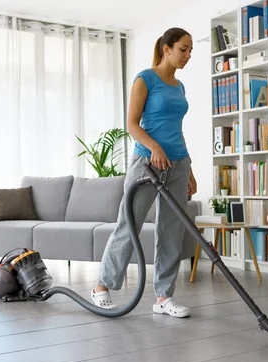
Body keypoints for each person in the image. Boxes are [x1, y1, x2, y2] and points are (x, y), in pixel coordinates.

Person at [90, 27, 196, 318]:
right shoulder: (145, 79)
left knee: (171, 230)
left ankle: (163, 297)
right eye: (183, 49)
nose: (187, 55)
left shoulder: (179, 86)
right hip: (147, 164)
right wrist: (154, 148)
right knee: (130, 224)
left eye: (190, 51)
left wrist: (189, 168)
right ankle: (102, 285)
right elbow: (132, 125)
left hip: (177, 164)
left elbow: (177, 130)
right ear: (167, 48)